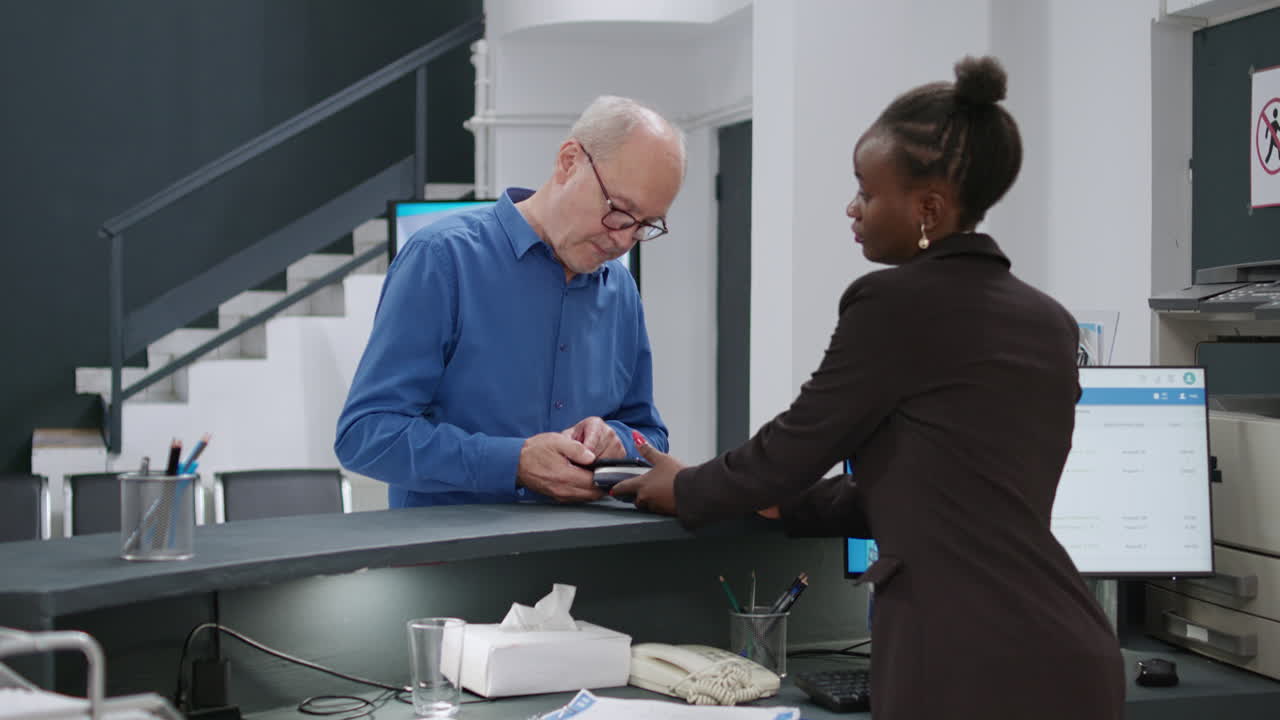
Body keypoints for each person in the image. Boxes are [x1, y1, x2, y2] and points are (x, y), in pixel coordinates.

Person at [614, 57, 1125, 719]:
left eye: (867, 191)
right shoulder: (1049, 321)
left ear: (929, 209)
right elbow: (940, 485)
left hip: (965, 665)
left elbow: (793, 447)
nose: (851, 208)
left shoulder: (893, 303)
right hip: (1070, 653)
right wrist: (787, 505)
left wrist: (685, 488)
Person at [335, 95, 685, 508]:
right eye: (619, 210)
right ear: (569, 162)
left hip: (584, 557)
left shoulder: (621, 290)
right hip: (454, 563)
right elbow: (367, 435)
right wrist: (512, 463)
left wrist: (618, 440)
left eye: (645, 225)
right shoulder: (443, 259)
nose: (624, 239)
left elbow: (650, 435)